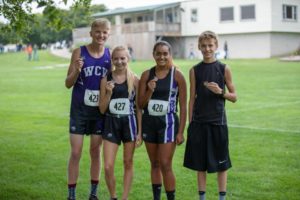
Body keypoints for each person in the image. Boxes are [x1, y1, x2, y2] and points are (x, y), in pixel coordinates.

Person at [183, 31, 237, 200]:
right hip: (199, 123)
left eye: (210, 45)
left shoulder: (224, 68)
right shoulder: (194, 70)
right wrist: (190, 123)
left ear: (216, 46)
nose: (207, 49)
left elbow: (234, 96)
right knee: (201, 164)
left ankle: (222, 198)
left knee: (222, 165)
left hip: (218, 123)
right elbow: (191, 99)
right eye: (204, 46)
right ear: (199, 47)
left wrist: (221, 92)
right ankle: (202, 197)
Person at [65, 18, 111, 200]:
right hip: (79, 110)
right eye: (97, 31)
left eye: (104, 32)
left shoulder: (109, 55)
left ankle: (93, 194)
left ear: (108, 34)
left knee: (95, 151)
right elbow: (68, 84)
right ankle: (71, 195)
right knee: (76, 152)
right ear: (91, 33)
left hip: (99, 112)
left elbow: (124, 74)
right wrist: (76, 70)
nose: (101, 35)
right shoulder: (79, 52)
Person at [138, 41, 187, 200]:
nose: (162, 57)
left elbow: (184, 106)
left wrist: (181, 132)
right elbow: (140, 104)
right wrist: (150, 90)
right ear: (153, 55)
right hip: (149, 123)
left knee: (165, 164)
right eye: (158, 53)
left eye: (165, 53)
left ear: (170, 55)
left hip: (169, 124)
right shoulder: (146, 75)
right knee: (155, 164)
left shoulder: (177, 75)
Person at [99, 45, 142, 200]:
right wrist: (109, 93)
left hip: (129, 124)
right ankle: (113, 196)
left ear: (128, 59)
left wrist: (139, 132)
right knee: (108, 166)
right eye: (116, 58)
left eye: (122, 58)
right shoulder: (106, 79)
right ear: (112, 60)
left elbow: (139, 109)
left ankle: (124, 197)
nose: (119, 61)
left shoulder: (135, 80)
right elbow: (102, 109)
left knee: (128, 162)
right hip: (111, 123)